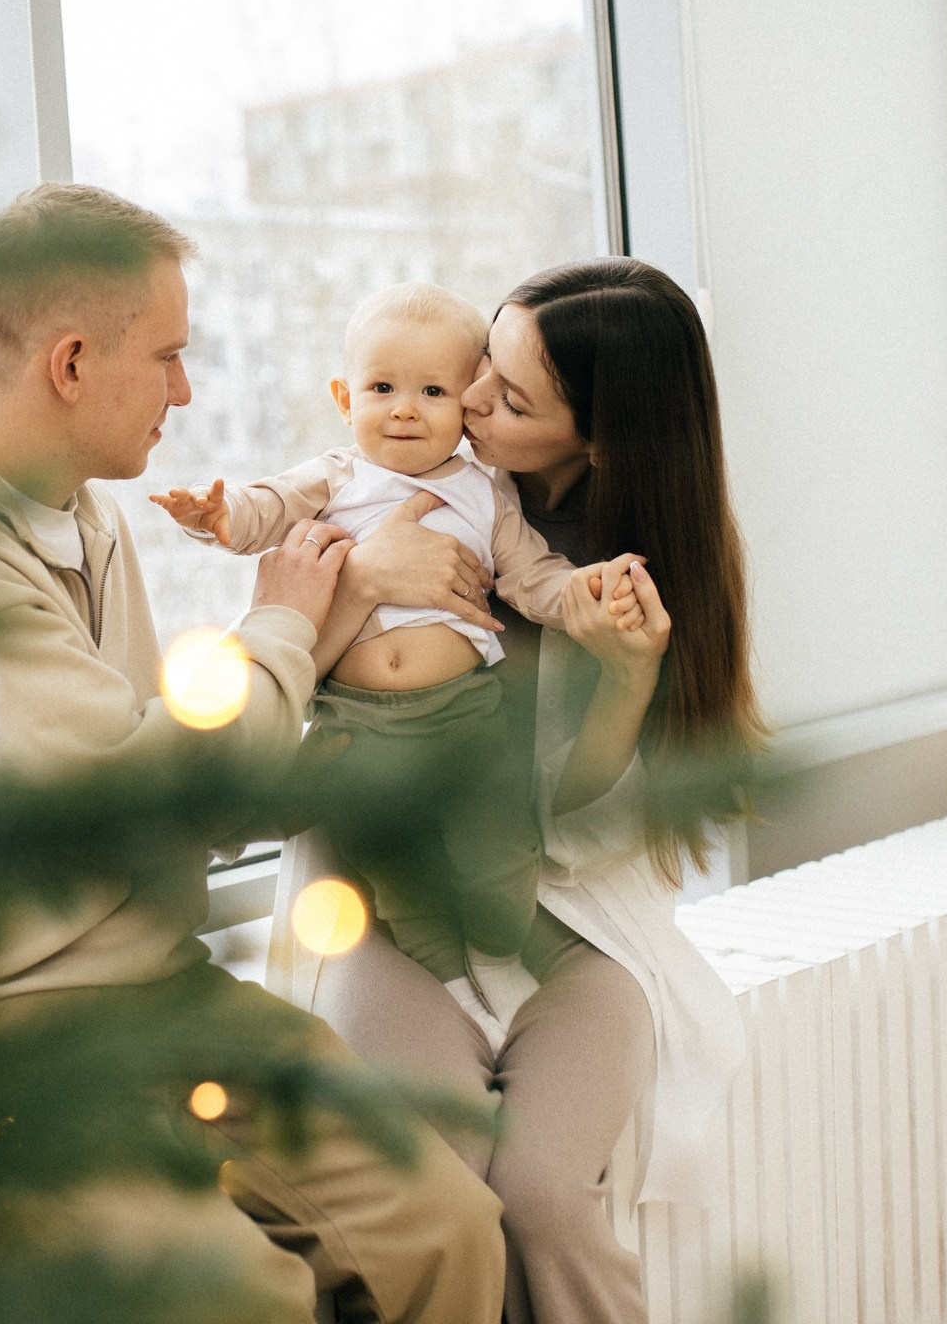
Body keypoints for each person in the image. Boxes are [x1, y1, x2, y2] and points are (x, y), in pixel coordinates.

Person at [0, 183, 507, 1324]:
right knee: (247, 1301)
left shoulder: (80, 510)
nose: (187, 390)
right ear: (72, 362)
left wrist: (338, 596)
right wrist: (286, 620)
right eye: (171, 356)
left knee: (448, 1230)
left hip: (156, 988)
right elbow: (152, 791)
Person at [309, 260, 763, 1324]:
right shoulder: (397, 496)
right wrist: (369, 580)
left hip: (569, 921)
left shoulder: (632, 578)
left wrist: (628, 675)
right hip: (392, 899)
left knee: (546, 1193)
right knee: (438, 1190)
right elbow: (300, 698)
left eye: (504, 399)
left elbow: (584, 830)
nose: (460, 404)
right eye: (482, 369)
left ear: (596, 441)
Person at [150, 281, 616, 1050]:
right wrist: (219, 518)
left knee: (495, 846)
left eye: (432, 391)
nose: (404, 409)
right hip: (360, 725)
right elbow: (265, 508)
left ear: (466, 404)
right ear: (344, 398)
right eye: (382, 388)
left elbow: (533, 578)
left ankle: (502, 949)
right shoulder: (336, 476)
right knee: (402, 881)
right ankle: (455, 992)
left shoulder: (486, 493)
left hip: (465, 713)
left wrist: (584, 591)